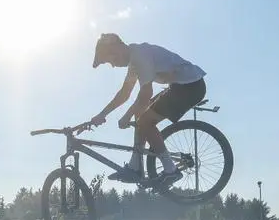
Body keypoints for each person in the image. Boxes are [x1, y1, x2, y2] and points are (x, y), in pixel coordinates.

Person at [88, 33, 207, 185]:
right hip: (181, 86)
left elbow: (145, 94)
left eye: (111, 59)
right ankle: (135, 165)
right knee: (140, 114)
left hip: (190, 86)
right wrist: (102, 114)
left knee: (145, 121)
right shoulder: (134, 62)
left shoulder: (140, 55)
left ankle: (170, 170)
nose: (113, 65)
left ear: (117, 47)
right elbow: (124, 93)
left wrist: (127, 115)